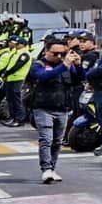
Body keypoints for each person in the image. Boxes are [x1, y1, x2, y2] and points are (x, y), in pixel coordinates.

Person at [25, 34, 83, 183]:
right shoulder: (38, 64)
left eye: (62, 54)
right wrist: (64, 65)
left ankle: (52, 168)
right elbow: (43, 76)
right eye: (55, 53)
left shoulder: (66, 65)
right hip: (42, 107)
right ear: (46, 51)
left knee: (57, 141)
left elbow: (78, 79)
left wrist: (78, 65)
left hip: (62, 107)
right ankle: (46, 169)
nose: (59, 56)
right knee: (46, 139)